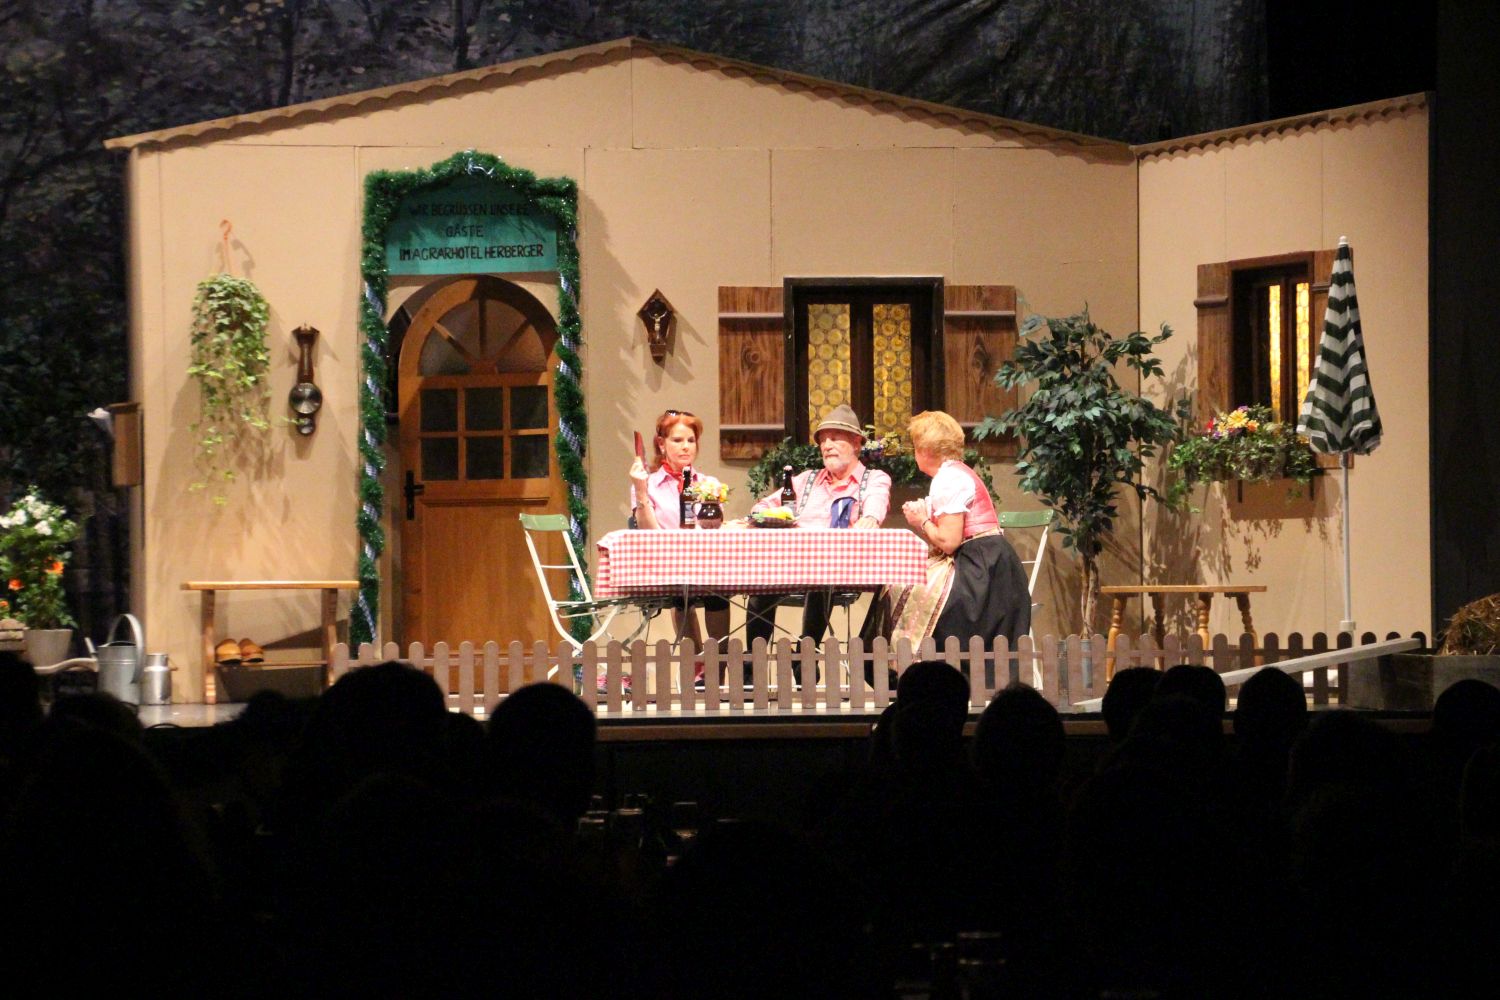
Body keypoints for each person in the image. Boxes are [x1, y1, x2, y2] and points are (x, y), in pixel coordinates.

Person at [743, 403, 892, 656]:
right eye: (823, 440)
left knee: (821, 574)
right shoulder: (806, 479)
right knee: (762, 578)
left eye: (835, 438)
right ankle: (752, 661)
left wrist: (870, 518)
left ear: (857, 443)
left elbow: (876, 502)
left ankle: (805, 654)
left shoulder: (874, 479)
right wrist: (767, 516)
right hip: (789, 564)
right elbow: (763, 506)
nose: (827, 445)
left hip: (839, 567)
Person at [887, 410, 1029, 647]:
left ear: (925, 449)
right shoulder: (954, 472)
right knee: (902, 582)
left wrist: (922, 521)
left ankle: (910, 661)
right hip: (987, 560)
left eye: (915, 446)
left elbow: (949, 542)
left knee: (905, 588)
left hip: (983, 569)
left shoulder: (949, 478)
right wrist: (925, 518)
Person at [627, 409, 730, 652]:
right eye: (677, 440)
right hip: (668, 564)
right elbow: (650, 534)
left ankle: (719, 666)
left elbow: (716, 529)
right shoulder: (649, 485)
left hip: (708, 564)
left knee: (717, 587)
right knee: (683, 591)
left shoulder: (709, 484)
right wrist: (641, 491)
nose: (686, 447)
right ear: (662, 444)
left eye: (691, 440)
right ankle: (695, 664)